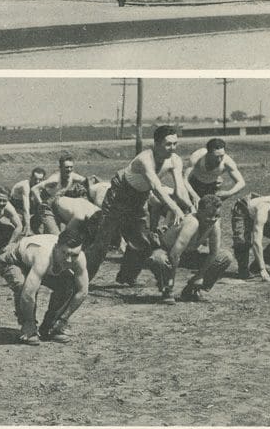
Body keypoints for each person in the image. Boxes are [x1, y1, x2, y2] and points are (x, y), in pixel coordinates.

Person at [85, 126, 193, 283]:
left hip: (139, 197)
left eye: (175, 144)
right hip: (119, 195)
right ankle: (81, 281)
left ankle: (126, 277)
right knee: (103, 243)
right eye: (168, 144)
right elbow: (156, 187)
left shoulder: (175, 160)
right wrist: (174, 208)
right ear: (156, 143)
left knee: (141, 242)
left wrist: (191, 207)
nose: (172, 148)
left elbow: (180, 190)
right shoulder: (145, 159)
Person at [118, 195, 233, 303]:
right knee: (159, 259)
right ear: (199, 211)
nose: (212, 219)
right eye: (209, 215)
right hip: (167, 252)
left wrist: (200, 276)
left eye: (216, 216)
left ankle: (192, 290)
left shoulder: (214, 224)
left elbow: (214, 253)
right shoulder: (192, 222)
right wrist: (171, 283)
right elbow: (174, 255)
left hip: (188, 254)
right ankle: (166, 289)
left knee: (224, 257)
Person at [0, 224, 88, 345]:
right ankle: (28, 327)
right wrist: (29, 322)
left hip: (34, 263)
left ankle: (50, 327)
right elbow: (28, 293)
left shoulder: (79, 258)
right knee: (22, 285)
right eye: (65, 253)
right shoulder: (44, 256)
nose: (69, 260)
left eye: (74, 255)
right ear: (56, 248)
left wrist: (63, 319)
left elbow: (82, 291)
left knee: (68, 285)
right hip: (14, 260)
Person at [30, 152, 91, 235]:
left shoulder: (73, 176)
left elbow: (87, 182)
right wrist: (41, 203)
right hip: (47, 207)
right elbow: (34, 189)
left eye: (71, 167)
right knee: (55, 235)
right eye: (66, 167)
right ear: (60, 168)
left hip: (59, 206)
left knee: (75, 229)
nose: (69, 169)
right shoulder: (55, 180)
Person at [10, 168, 47, 235]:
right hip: (16, 207)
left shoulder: (42, 185)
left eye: (40, 180)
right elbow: (26, 208)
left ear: (43, 179)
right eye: (35, 179)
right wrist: (27, 226)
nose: (37, 182)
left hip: (30, 207)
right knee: (21, 228)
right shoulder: (25, 186)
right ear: (31, 178)